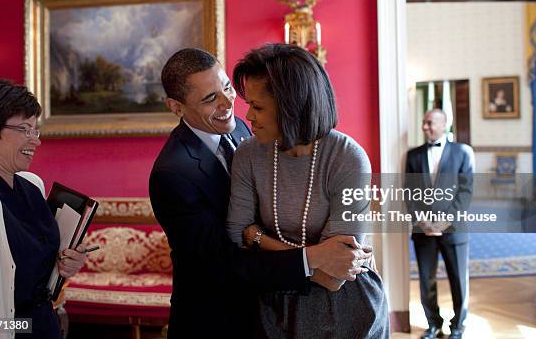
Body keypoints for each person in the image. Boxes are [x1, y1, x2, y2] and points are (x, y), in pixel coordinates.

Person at [149, 48, 373, 338]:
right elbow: (226, 261)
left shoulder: (242, 130)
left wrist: (255, 236)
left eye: (227, 87)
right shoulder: (172, 173)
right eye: (209, 98)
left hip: (298, 311)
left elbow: (338, 266)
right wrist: (314, 258)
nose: (231, 104)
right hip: (217, 319)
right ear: (177, 107)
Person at [226, 43, 389, 339]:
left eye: (258, 106)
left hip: (346, 310)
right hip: (272, 304)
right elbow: (237, 234)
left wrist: (258, 237)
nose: (247, 116)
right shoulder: (248, 154)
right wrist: (315, 256)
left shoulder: (348, 157)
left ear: (292, 106)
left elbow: (334, 276)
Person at [0, 79, 87, 339]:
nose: (36, 141)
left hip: (44, 324)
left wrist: (67, 263)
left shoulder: (32, 186)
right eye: (24, 129)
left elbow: (40, 262)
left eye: (35, 130)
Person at [404, 109, 474, 339]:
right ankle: (433, 324)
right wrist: (422, 221)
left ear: (444, 124)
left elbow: (466, 191)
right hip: (423, 230)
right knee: (426, 280)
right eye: (423, 123)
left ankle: (458, 327)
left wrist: (445, 221)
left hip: (454, 230)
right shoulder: (413, 155)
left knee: (458, 279)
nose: (425, 127)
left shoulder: (463, 152)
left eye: (430, 123)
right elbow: (409, 193)